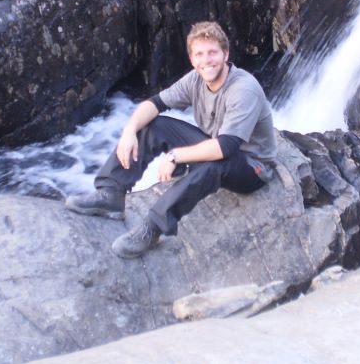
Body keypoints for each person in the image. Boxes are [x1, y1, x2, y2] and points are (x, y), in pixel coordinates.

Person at [65, 21, 278, 258]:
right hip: (216, 144)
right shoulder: (195, 80)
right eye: (199, 54)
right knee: (154, 125)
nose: (206, 60)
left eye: (212, 53)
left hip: (251, 167)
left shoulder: (243, 88)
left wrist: (177, 156)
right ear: (192, 60)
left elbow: (226, 147)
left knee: (214, 165)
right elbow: (154, 104)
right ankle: (111, 192)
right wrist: (128, 131)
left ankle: (153, 227)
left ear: (225, 54)